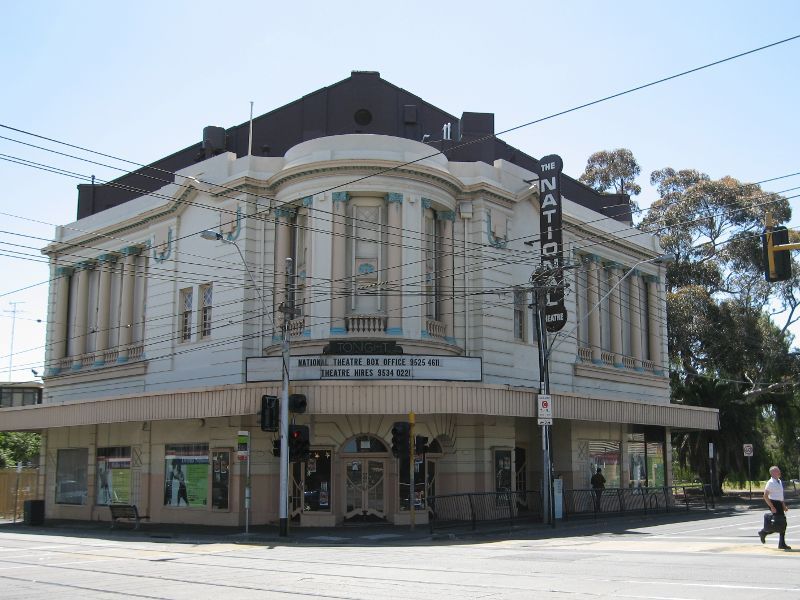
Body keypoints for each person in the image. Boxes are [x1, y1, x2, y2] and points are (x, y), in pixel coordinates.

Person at [758, 465, 791, 550]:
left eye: (779, 471)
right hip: (774, 504)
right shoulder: (770, 483)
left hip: (779, 504)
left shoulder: (779, 481)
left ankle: (765, 533)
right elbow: (765, 496)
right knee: (779, 524)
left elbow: (780, 496)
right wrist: (772, 506)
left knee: (781, 523)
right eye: (777, 471)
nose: (779, 472)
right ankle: (764, 532)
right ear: (772, 473)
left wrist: (784, 505)